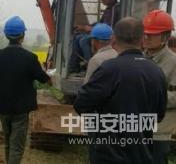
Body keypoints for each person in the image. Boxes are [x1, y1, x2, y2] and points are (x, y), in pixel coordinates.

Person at [74, 17, 167, 164]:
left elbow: (81, 104)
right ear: (142, 40)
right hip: (142, 153)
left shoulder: (109, 69)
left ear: (113, 39)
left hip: (109, 154)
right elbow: (159, 115)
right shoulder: (156, 71)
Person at [0, 16, 50, 164]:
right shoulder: (30, 58)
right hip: (21, 109)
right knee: (17, 146)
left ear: (6, 35)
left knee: (8, 141)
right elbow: (43, 79)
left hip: (3, 106)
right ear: (22, 35)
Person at [143, 10, 176, 164]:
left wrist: (149, 97)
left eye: (152, 34)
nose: (146, 37)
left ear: (165, 37)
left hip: (158, 131)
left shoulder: (173, 62)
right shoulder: (139, 57)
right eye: (145, 33)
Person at [69, 0, 120, 74]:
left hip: (108, 36)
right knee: (77, 37)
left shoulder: (115, 8)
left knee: (83, 40)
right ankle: (74, 67)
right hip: (102, 33)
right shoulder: (108, 9)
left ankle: (90, 64)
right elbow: (100, 23)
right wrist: (85, 26)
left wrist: (89, 28)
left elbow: (108, 27)